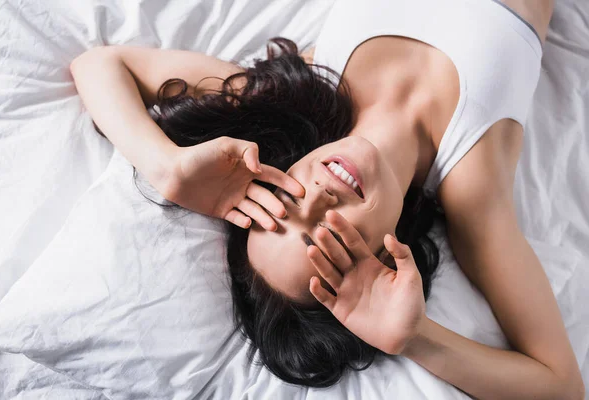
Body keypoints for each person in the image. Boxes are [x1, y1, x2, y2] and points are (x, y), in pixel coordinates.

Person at [70, 0, 585, 398]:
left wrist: (167, 167)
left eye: (284, 202)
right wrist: (416, 338)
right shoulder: (474, 194)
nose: (319, 197)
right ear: (384, 257)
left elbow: (100, 64)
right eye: (329, 237)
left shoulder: (299, 94)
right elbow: (560, 386)